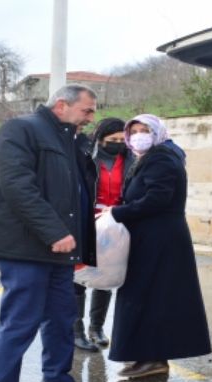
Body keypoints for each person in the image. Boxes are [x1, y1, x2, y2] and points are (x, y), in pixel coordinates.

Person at [0, 84, 104, 382]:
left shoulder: (70, 138)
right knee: (21, 317)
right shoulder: (21, 129)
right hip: (24, 244)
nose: (91, 118)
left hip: (58, 248)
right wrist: (53, 231)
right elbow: (17, 186)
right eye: (87, 110)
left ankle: (56, 378)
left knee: (62, 315)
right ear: (62, 105)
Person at [107, 114, 211, 379]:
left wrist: (117, 213)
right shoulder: (150, 157)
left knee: (154, 298)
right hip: (152, 237)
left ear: (157, 133)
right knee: (149, 297)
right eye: (134, 130)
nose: (139, 135)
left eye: (145, 130)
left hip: (159, 239)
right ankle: (147, 356)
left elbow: (157, 199)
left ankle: (154, 357)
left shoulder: (161, 158)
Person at [73, 117, 135, 352]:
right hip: (86, 222)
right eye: (112, 140)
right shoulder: (87, 157)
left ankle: (96, 328)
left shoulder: (130, 160)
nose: (118, 143)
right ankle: (76, 330)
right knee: (78, 277)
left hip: (115, 223)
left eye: (122, 139)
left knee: (106, 275)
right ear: (100, 139)